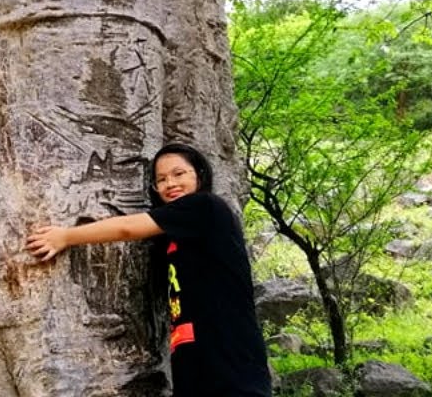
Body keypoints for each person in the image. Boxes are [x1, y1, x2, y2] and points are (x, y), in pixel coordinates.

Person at [26, 143, 271, 397]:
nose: (170, 184)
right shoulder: (176, 235)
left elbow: (127, 228)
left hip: (231, 359)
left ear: (199, 173)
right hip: (194, 361)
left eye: (179, 174)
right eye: (161, 179)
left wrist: (65, 236)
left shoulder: (204, 206)